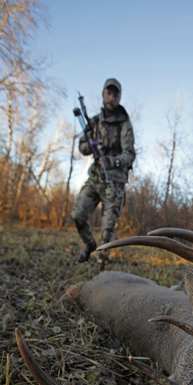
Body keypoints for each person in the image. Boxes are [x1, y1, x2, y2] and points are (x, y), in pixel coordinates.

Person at [72, 78, 136, 263]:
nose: (111, 97)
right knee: (78, 215)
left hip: (114, 181)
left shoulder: (124, 123)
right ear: (103, 95)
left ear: (119, 97)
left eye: (115, 94)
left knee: (107, 227)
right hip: (95, 176)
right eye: (109, 93)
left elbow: (129, 154)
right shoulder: (94, 122)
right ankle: (90, 245)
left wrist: (113, 161)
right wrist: (91, 148)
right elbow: (82, 146)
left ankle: (102, 262)